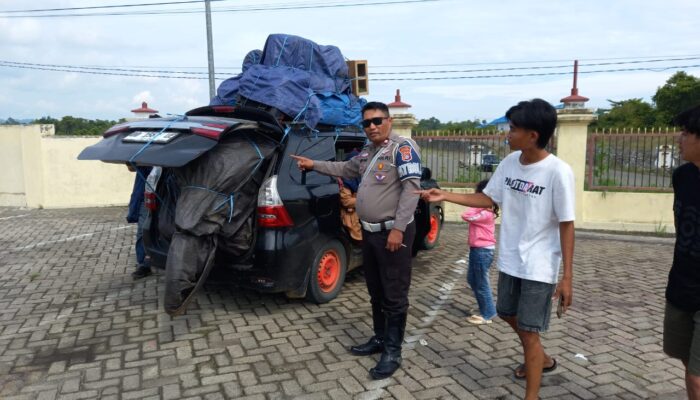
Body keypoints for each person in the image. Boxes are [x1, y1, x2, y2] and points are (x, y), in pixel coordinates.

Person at [419, 98, 575, 400]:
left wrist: (567, 276)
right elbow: (489, 199)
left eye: (513, 128)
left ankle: (532, 393)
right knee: (505, 312)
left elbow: (567, 224)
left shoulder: (558, 172)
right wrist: (445, 195)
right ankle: (541, 358)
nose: (508, 133)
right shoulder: (508, 164)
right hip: (510, 259)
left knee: (530, 332)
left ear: (533, 135)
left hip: (540, 265)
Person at [290, 101, 422, 380]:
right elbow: (343, 169)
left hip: (393, 234)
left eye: (377, 121)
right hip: (370, 232)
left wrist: (398, 229)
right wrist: (313, 164)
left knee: (394, 294)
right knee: (375, 290)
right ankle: (379, 338)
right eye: (366, 123)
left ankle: (393, 351)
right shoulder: (366, 153)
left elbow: (412, 190)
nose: (371, 127)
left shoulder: (403, 149)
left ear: (389, 121)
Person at [663, 104, 700, 400]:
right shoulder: (683, 176)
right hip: (681, 286)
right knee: (686, 359)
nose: (679, 138)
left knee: (696, 376)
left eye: (686, 133)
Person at [461, 178, 498, 325]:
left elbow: (466, 215)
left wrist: (476, 204)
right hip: (478, 250)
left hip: (482, 252)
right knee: (472, 279)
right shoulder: (484, 211)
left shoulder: (486, 213)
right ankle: (485, 307)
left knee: (481, 282)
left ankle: (488, 313)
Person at [126, 164, 153, 280]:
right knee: (143, 231)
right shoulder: (144, 149)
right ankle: (143, 264)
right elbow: (131, 168)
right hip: (146, 196)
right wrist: (132, 162)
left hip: (167, 194)